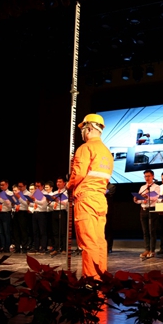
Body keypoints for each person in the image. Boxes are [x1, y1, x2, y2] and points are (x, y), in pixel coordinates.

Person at [68, 113, 114, 278]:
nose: (82, 132)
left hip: (86, 199)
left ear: (88, 129)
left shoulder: (85, 148)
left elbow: (78, 173)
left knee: (88, 242)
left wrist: (69, 186)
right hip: (100, 199)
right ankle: (101, 279)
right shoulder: (107, 152)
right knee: (100, 242)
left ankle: (90, 281)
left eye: (83, 129)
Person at [133, 169, 160, 260]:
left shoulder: (156, 187)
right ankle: (147, 249)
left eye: (148, 176)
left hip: (152, 209)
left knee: (152, 231)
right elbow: (140, 200)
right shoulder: (143, 187)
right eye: (145, 176)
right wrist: (136, 200)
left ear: (153, 176)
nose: (147, 178)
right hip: (143, 210)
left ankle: (152, 250)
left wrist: (147, 196)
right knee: (145, 231)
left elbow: (156, 198)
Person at [50, 177, 69, 257]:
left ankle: (64, 248)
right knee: (55, 231)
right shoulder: (54, 192)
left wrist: (58, 200)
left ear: (64, 183)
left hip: (62, 211)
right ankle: (57, 248)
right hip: (55, 211)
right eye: (57, 182)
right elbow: (51, 204)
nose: (58, 183)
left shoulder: (66, 192)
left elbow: (66, 203)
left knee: (63, 231)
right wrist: (50, 201)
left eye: (60, 182)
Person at [0, 180, 13, 254]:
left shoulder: (10, 193)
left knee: (6, 231)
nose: (1, 186)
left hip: (6, 213)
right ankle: (2, 246)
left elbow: (9, 204)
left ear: (7, 185)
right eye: (1, 185)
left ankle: (7, 247)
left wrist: (0, 199)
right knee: (0, 231)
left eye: (3, 185)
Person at [105, 182, 116, 254]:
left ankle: (109, 247)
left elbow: (109, 195)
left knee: (108, 229)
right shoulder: (100, 185)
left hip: (108, 210)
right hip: (100, 209)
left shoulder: (111, 186)